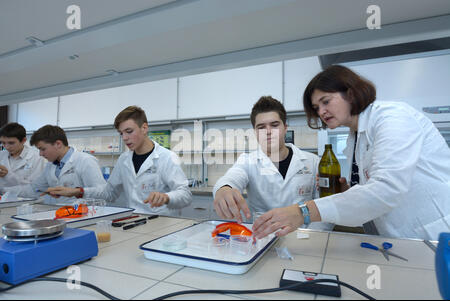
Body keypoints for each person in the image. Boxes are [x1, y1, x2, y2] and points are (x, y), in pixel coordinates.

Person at [252, 65, 450, 241]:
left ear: (351, 93)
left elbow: (386, 190)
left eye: (326, 101)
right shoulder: (354, 138)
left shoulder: (392, 118)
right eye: (316, 107)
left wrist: (303, 212)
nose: (321, 112)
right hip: (400, 240)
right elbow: (371, 194)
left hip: (434, 234)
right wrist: (348, 193)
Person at [213, 96, 333, 231]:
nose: (268, 132)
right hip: (263, 238)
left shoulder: (313, 161)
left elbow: (325, 206)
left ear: (285, 127)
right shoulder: (247, 161)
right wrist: (224, 188)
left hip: (304, 238)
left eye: (274, 125)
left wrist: (311, 237)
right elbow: (231, 178)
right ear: (255, 132)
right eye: (261, 127)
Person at [48, 106, 192, 215]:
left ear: (144, 128)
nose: (124, 138)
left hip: (163, 224)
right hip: (134, 221)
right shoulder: (124, 159)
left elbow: (185, 195)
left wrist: (166, 197)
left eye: (129, 131)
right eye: (121, 133)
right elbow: (109, 193)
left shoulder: (166, 157)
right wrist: (76, 191)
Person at [3, 124, 106, 204]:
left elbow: (103, 192)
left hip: (85, 216)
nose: (40, 154)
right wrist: (4, 190)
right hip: (60, 215)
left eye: (43, 149)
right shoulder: (51, 165)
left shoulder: (85, 161)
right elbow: (34, 189)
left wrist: (77, 191)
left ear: (58, 144)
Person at [0, 122, 46, 189]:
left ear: (23, 140)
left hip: (26, 198)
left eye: (11, 143)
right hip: (3, 197)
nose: (7, 147)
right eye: (3, 143)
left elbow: (35, 186)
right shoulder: (1, 155)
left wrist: (8, 175)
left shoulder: (36, 157)